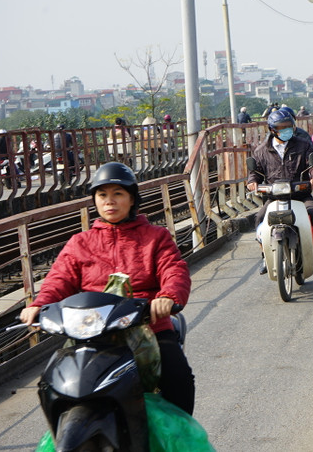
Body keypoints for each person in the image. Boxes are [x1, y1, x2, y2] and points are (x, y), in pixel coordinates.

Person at [19, 162, 196, 415]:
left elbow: (174, 269)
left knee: (178, 377)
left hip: (149, 326)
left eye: (118, 194)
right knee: (55, 384)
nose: (109, 201)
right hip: (91, 333)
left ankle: (179, 439)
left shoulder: (155, 237)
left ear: (132, 199)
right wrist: (38, 304)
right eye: (102, 195)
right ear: (95, 201)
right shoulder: (80, 242)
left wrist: (167, 296)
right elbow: (59, 279)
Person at [247, 110, 313, 273]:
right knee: (259, 218)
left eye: (289, 126)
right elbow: (254, 171)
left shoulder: (304, 145)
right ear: (272, 129)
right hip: (274, 197)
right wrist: (252, 182)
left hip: (300, 194)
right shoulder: (261, 150)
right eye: (282, 127)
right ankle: (264, 255)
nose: (286, 130)